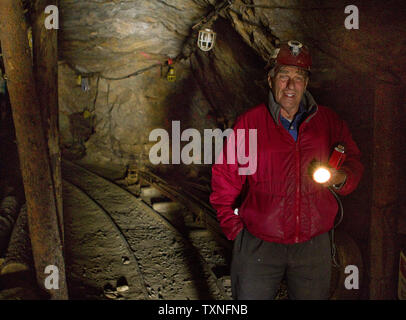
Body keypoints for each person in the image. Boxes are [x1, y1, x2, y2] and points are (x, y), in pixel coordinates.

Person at [209, 40, 363, 300]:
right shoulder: (250, 123)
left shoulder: (328, 121)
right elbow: (225, 176)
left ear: (306, 83)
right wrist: (235, 228)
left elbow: (354, 162)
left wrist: (341, 178)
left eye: (298, 77)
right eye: (284, 76)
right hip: (259, 243)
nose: (291, 86)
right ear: (270, 81)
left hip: (313, 245)